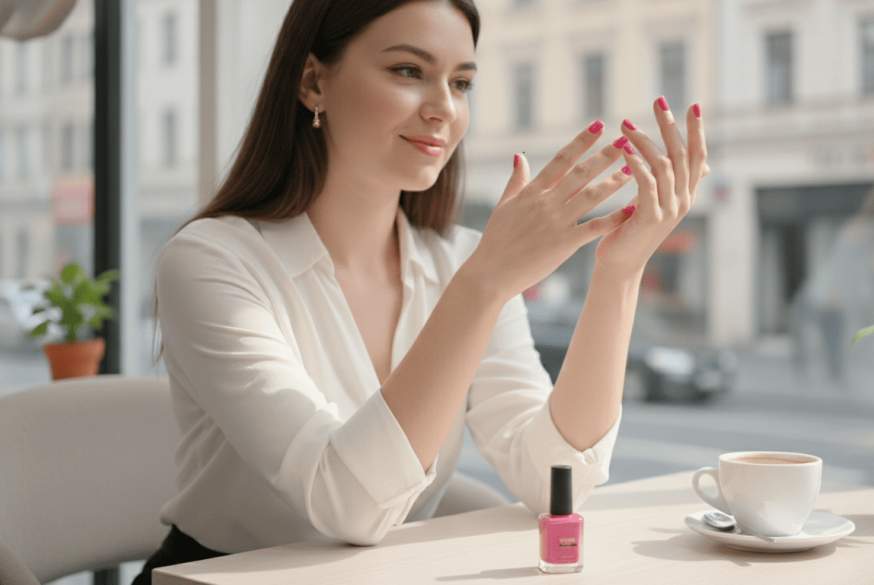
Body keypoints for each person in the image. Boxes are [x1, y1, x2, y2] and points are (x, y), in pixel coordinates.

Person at [134, 0, 709, 581]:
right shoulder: (211, 261)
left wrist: (620, 272)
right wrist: (485, 283)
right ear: (314, 82)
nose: (444, 109)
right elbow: (347, 504)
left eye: (461, 83)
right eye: (409, 71)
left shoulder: (463, 261)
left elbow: (555, 478)